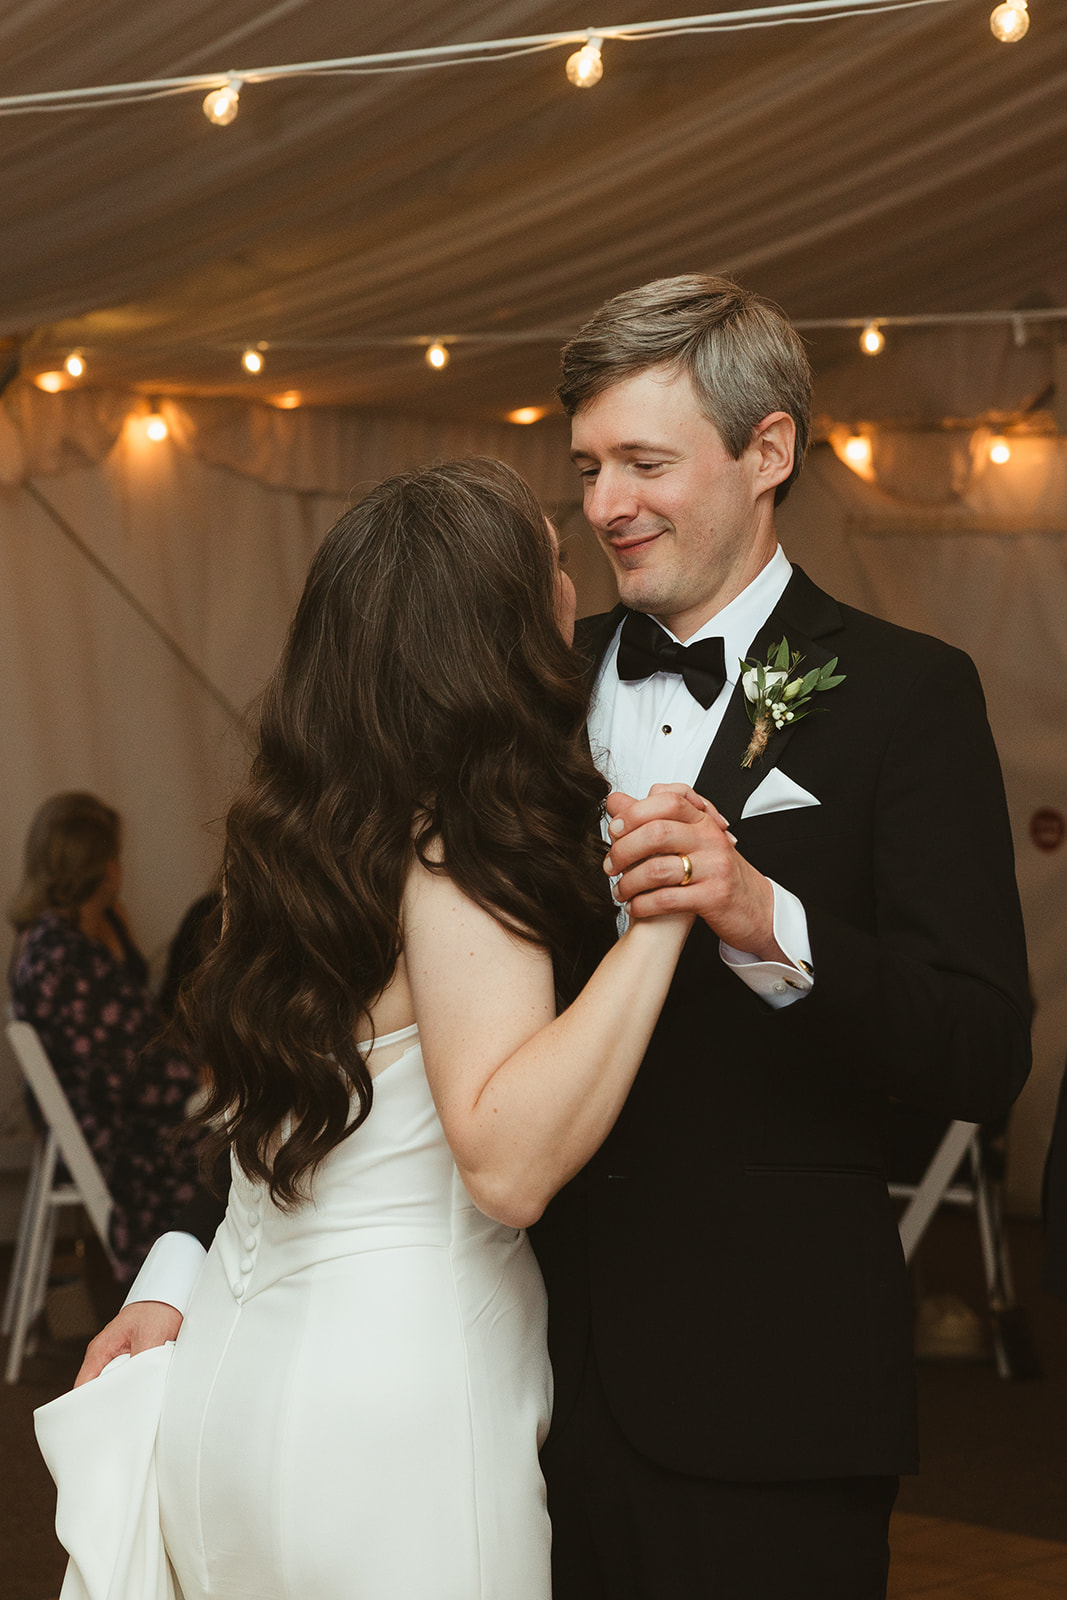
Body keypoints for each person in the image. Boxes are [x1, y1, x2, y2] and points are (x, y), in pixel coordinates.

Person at [76, 458, 695, 1600]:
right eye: (554, 566)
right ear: (500, 625)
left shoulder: (291, 844)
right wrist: (663, 916)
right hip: (395, 1412)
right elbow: (504, 1160)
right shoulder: (456, 850)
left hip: (231, 1390)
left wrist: (170, 1272)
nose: (574, 589)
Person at [525, 274, 1031, 1599]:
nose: (601, 507)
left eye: (642, 462)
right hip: (506, 1377)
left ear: (767, 452)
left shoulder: (907, 695)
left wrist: (763, 917)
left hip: (765, 1394)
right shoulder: (519, 683)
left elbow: (979, 1051)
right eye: (585, 467)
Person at [8, 792, 201, 1278]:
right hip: (124, 1135)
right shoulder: (61, 956)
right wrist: (197, 1073)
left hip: (125, 1106)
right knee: (240, 1133)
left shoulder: (74, 938)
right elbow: (112, 1070)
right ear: (102, 865)